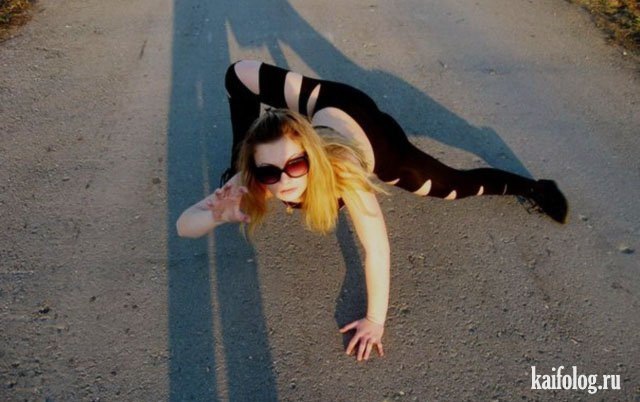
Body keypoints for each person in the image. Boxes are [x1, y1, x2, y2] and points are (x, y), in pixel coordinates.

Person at [176, 60, 568, 362]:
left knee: (454, 187)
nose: (284, 181)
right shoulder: (251, 181)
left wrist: (375, 320)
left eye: (296, 165)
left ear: (312, 155)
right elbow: (184, 227)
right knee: (238, 74)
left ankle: (535, 187)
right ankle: (241, 151)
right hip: (325, 103)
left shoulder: (344, 174)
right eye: (268, 172)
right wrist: (215, 214)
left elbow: (377, 250)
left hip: (375, 138)